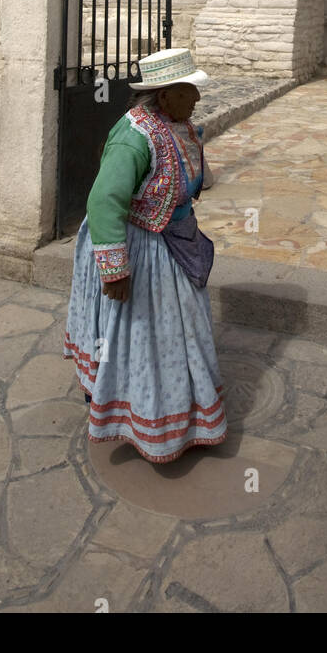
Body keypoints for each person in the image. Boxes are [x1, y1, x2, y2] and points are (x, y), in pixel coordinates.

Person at [63, 47, 228, 462]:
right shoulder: (136, 136)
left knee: (179, 329)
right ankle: (141, 414)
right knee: (142, 331)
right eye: (189, 90)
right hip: (141, 246)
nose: (196, 98)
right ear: (165, 95)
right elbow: (104, 201)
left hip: (172, 240)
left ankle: (178, 412)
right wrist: (114, 269)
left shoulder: (179, 126)